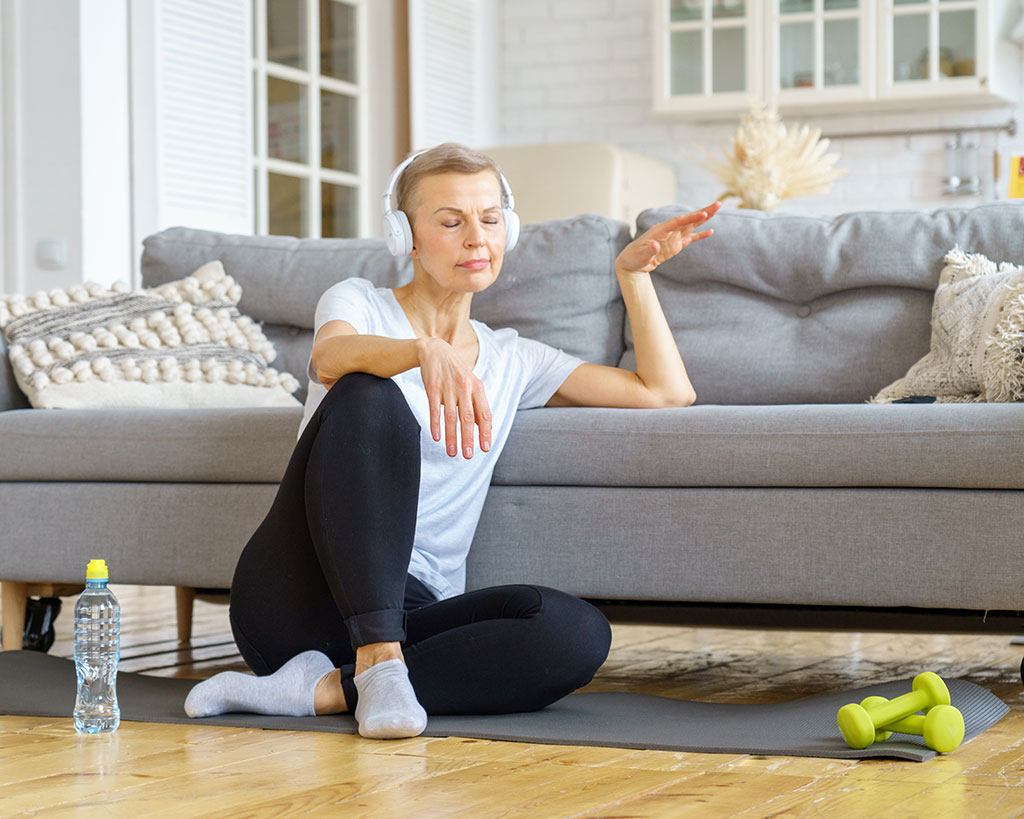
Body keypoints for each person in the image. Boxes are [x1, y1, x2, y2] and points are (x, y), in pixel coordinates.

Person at [184, 142, 719, 739]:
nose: (476, 238)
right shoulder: (358, 302)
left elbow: (665, 391)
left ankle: (322, 689)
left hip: (416, 608)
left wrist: (634, 275)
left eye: (490, 219)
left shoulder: (515, 359)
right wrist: (420, 352)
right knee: (367, 391)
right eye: (451, 221)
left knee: (574, 632)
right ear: (403, 236)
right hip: (297, 595)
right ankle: (380, 664)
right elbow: (330, 358)